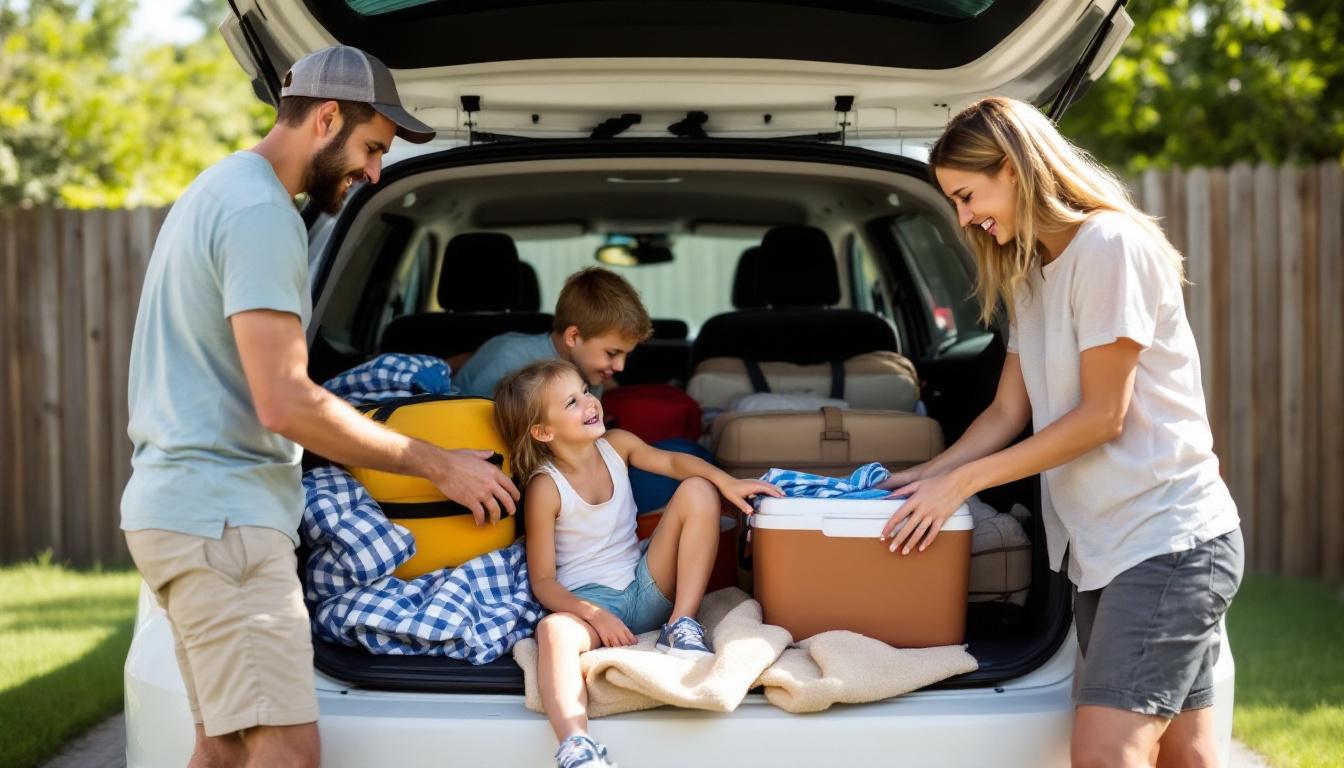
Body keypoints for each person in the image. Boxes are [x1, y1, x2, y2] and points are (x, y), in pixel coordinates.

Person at [120, 47, 519, 768]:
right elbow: (285, 401)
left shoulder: (219, 190)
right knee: (287, 753)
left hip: (186, 511)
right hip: (225, 525)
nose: (372, 172)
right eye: (371, 149)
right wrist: (440, 465)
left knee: (223, 748)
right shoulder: (260, 212)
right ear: (326, 117)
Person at [875, 96, 1243, 768]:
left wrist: (961, 485)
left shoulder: (1110, 247)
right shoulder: (1028, 271)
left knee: (1104, 755)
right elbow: (1006, 413)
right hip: (1105, 548)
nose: (963, 218)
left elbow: (1103, 416)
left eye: (966, 195)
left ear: (1013, 170)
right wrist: (927, 477)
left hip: (1168, 540)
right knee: (1188, 756)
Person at [493, 359, 780, 768]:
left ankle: (681, 624)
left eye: (585, 392)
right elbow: (543, 582)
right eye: (572, 402)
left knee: (698, 488)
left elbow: (676, 464)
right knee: (551, 629)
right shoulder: (545, 487)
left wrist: (725, 481)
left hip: (646, 585)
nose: (589, 403)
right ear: (543, 432)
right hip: (594, 609)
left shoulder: (618, 444)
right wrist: (593, 616)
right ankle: (576, 744)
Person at [454, 267, 653, 398]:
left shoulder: (591, 375)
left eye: (626, 355)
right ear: (573, 336)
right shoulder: (508, 357)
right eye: (612, 353)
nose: (620, 366)